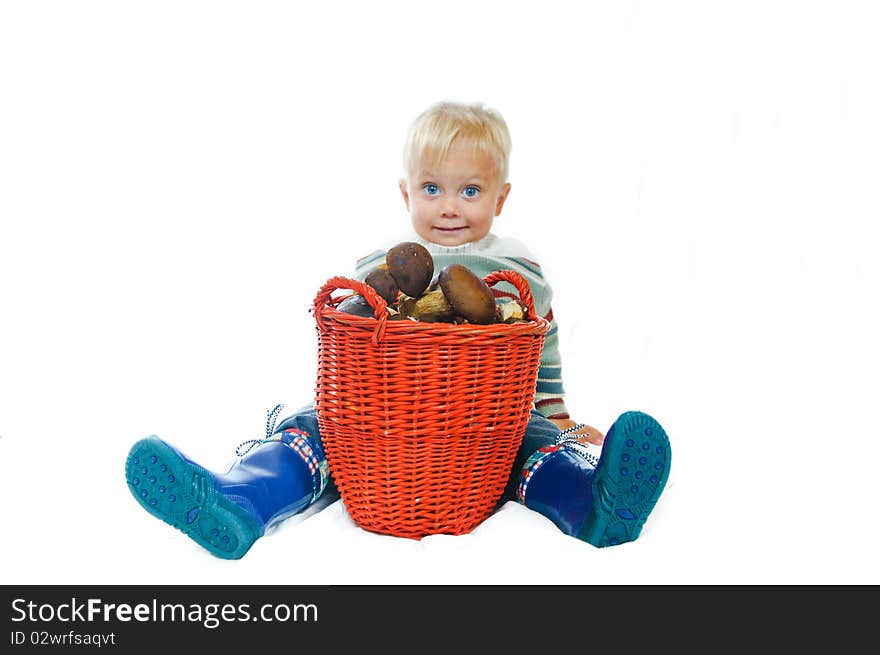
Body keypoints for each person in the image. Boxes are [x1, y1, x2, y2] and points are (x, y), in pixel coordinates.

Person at [125, 101, 671, 559]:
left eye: (471, 191)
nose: (450, 208)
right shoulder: (376, 269)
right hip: (382, 415)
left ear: (501, 197)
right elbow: (351, 344)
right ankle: (240, 499)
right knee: (315, 430)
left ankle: (591, 504)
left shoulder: (520, 268)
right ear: (406, 193)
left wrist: (557, 416)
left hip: (488, 419)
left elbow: (540, 347)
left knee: (535, 443)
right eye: (432, 189)